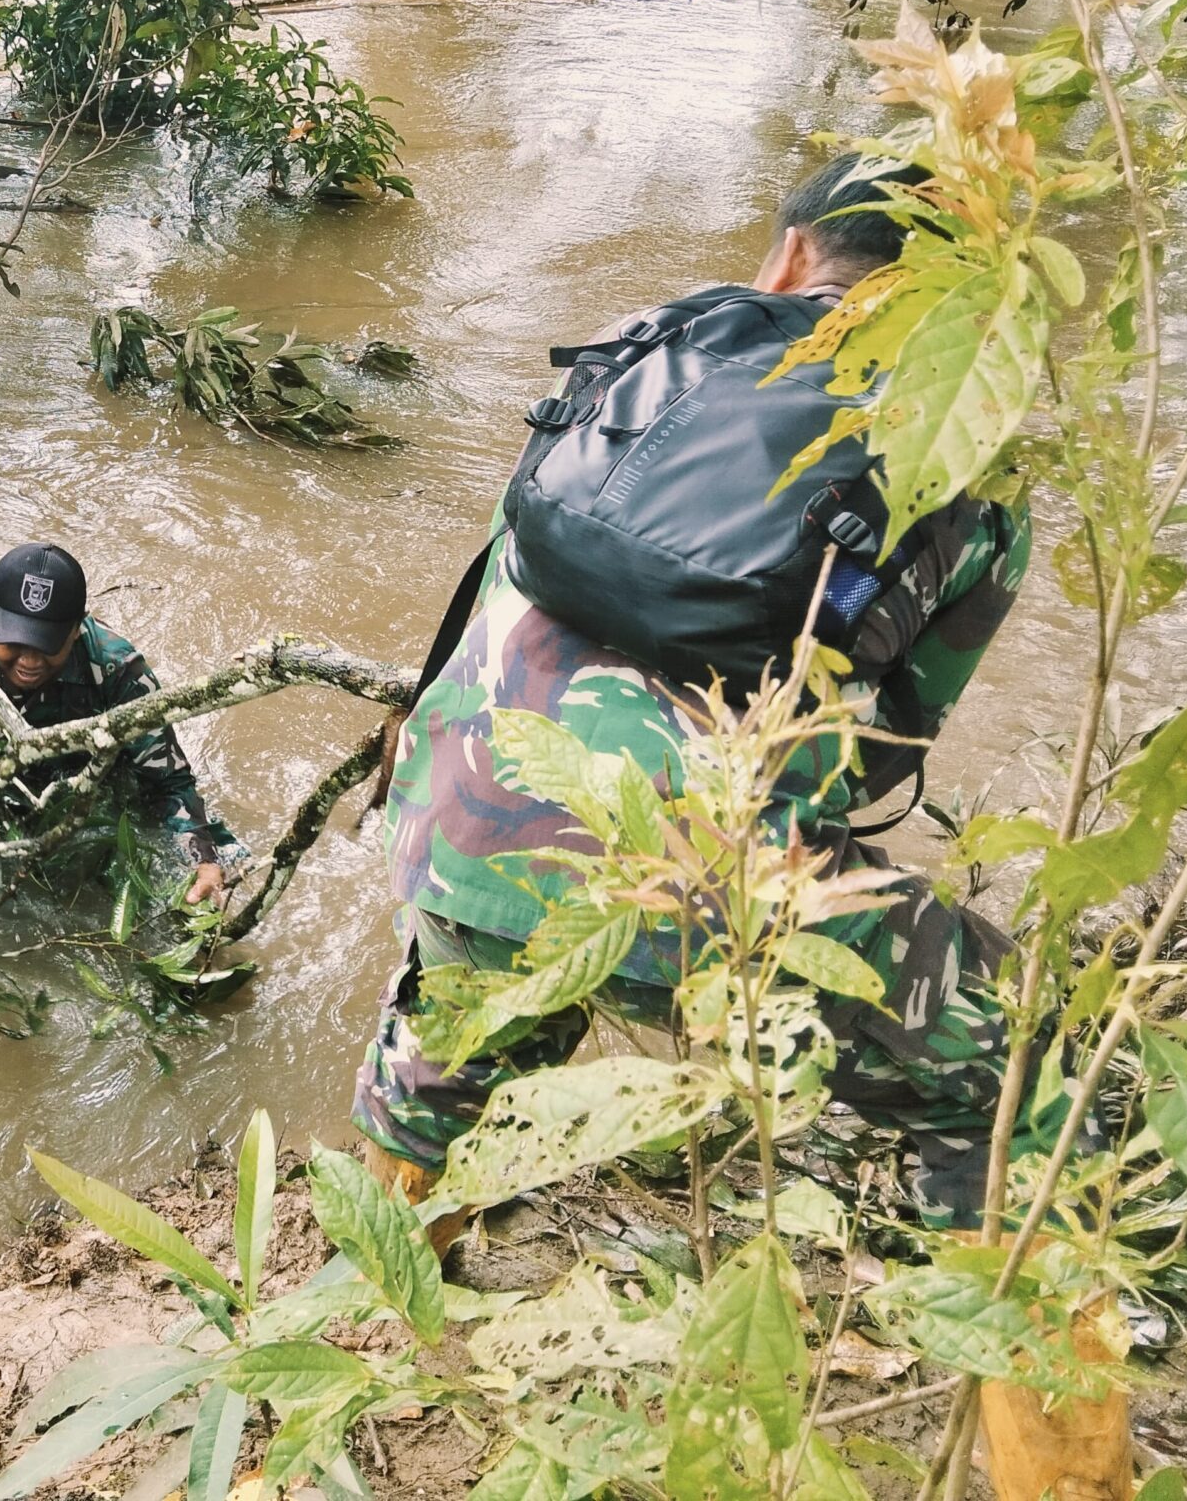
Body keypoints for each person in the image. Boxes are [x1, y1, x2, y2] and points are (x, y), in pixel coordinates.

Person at [355, 153, 1049, 1227]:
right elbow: (886, 753)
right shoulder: (974, 466)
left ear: (789, 256)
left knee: (457, 1035)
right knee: (1019, 1062)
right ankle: (1028, 1351)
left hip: (455, 828)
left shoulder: (644, 341)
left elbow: (505, 558)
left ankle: (381, 1268)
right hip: (706, 898)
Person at [0, 542, 242, 905]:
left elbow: (168, 781)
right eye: (14, 641)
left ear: (76, 628)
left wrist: (203, 860)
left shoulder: (119, 671)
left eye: (47, 645)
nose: (29, 661)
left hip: (77, 781)